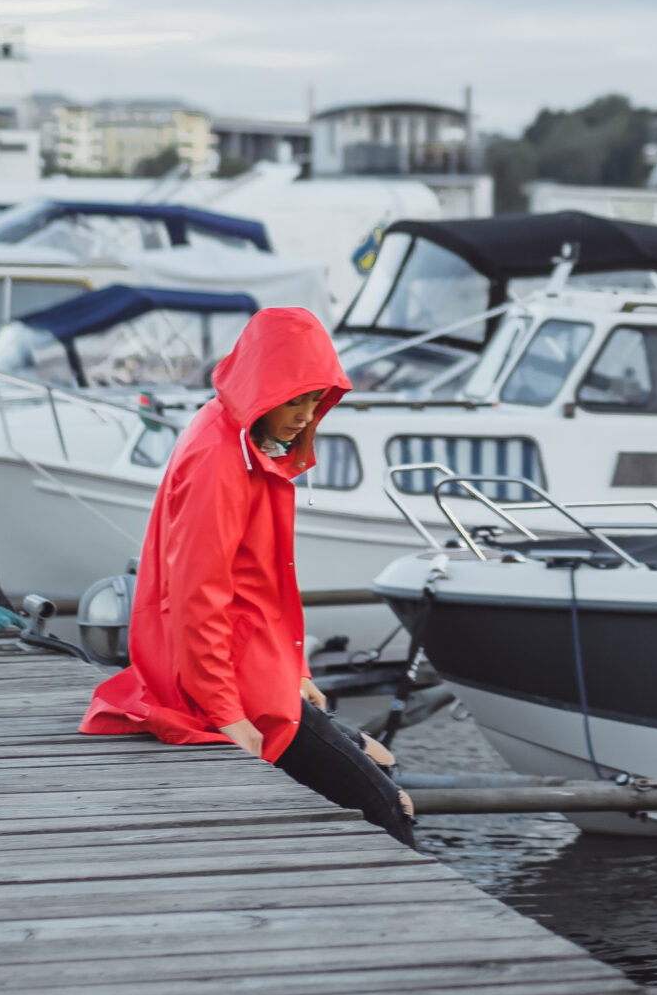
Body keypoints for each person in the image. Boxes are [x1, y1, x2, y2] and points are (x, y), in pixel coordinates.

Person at [81, 306, 415, 845]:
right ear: (264, 387)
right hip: (235, 683)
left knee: (381, 763)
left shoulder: (248, 439)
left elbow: (265, 584)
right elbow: (196, 599)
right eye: (296, 399)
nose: (306, 416)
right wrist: (227, 715)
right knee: (388, 809)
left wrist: (298, 670)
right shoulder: (219, 459)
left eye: (316, 401)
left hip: (260, 667)